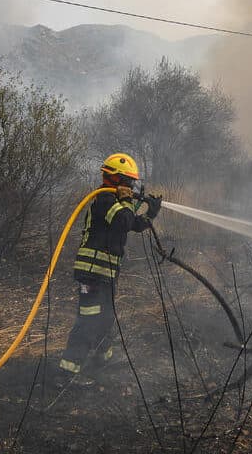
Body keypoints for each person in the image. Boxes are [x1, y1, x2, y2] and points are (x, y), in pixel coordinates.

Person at [58, 152, 161, 381]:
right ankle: (67, 372)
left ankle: (102, 361)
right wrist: (126, 200)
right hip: (93, 274)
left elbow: (133, 223)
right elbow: (123, 221)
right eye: (128, 181)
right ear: (114, 178)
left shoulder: (115, 202)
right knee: (89, 320)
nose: (131, 186)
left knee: (105, 318)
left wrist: (151, 213)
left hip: (104, 275)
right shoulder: (106, 200)